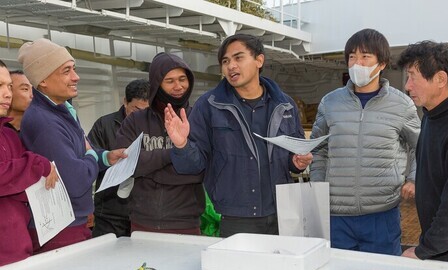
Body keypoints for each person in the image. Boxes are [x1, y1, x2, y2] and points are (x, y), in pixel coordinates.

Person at [164, 34, 312, 237]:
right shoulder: (209, 105)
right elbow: (193, 166)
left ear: (259, 60)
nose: (231, 66)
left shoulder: (284, 105)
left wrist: (298, 162)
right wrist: (182, 145)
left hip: (282, 213)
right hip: (236, 217)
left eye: (238, 58)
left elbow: (292, 157)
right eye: (225, 61)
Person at [309, 29, 421, 255]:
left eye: (365, 57)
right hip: (336, 214)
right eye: (352, 57)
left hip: (382, 213)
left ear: (382, 64)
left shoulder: (402, 105)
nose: (356, 63)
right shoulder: (330, 103)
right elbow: (318, 149)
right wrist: (319, 186)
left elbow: (420, 146)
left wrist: (413, 178)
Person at [17, 38, 126, 253]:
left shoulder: (61, 109)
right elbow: (76, 181)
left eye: (74, 69)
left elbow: (81, 153)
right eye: (66, 71)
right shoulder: (44, 121)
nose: (76, 77)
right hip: (59, 230)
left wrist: (104, 157)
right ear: (43, 81)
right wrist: (91, 157)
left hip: (72, 223)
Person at [115, 52, 205, 235]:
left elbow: (198, 170)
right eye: (169, 81)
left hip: (186, 222)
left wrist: (149, 170)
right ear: (157, 84)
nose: (178, 86)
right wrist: (173, 154)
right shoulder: (135, 121)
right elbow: (125, 163)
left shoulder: (198, 119)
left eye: (182, 79)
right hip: (142, 221)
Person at [0, 60, 58, 266]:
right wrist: (37, 163)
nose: (7, 93)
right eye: (0, 86)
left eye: (8, 86)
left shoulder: (8, 134)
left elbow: (24, 183)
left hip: (18, 245)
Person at [398, 41, 448, 261]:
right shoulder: (430, 116)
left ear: (440, 79)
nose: (408, 86)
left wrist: (424, 250)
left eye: (412, 77)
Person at [88, 79, 150, 237]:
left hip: (145, 212)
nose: (141, 116)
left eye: (146, 111)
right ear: (125, 102)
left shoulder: (155, 127)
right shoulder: (104, 125)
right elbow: (89, 159)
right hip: (110, 212)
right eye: (136, 109)